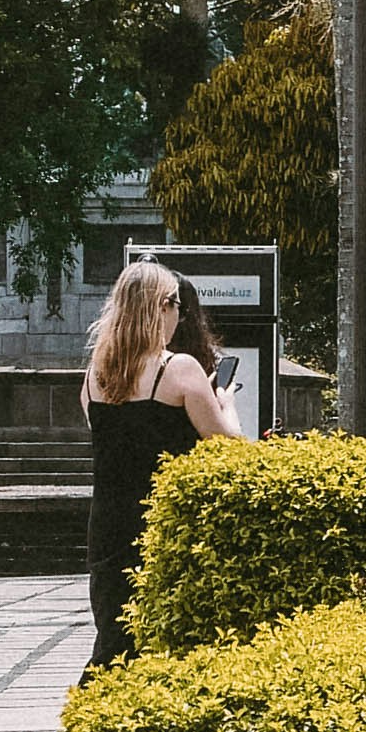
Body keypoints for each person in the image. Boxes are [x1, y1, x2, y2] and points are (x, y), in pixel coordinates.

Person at [80, 258, 240, 664]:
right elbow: (229, 444)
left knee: (114, 640)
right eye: (175, 306)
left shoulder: (95, 376)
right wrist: (225, 402)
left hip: (108, 524)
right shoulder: (179, 369)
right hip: (164, 522)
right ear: (162, 307)